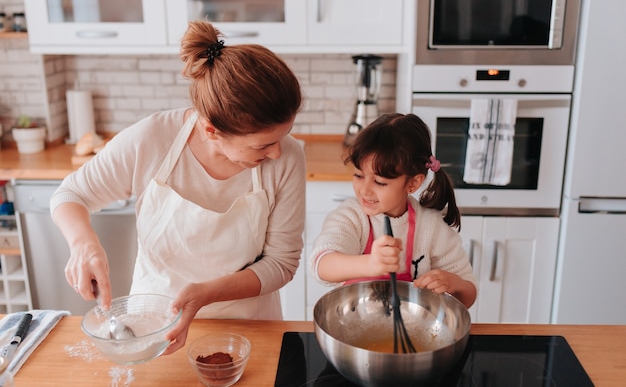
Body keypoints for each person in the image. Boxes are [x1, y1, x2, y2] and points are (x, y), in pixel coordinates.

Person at [50, 20, 306, 354]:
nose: (276, 152)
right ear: (211, 129)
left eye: (282, 137)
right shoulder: (152, 139)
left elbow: (281, 264)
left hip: (248, 330)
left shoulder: (287, 157)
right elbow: (71, 195)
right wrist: (83, 243)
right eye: (262, 145)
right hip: (152, 331)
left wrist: (206, 294)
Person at [309, 113, 477, 308]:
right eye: (358, 175)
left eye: (380, 182)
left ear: (413, 183)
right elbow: (321, 265)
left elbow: (468, 296)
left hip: (416, 332)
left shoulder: (431, 226)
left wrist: (453, 284)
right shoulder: (352, 217)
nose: (364, 189)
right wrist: (370, 264)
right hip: (356, 328)